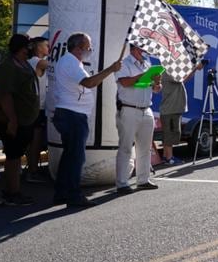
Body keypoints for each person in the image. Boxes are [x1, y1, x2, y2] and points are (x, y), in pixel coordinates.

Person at [51, 33, 122, 208]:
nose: (90, 50)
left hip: (72, 113)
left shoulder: (72, 62)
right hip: (72, 115)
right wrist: (110, 69)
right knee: (76, 157)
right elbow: (89, 83)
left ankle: (62, 193)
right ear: (78, 48)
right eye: (88, 47)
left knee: (70, 156)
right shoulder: (70, 62)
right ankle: (74, 196)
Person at [0, 34, 40, 206]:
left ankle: (14, 189)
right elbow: (5, 96)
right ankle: (12, 192)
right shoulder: (8, 67)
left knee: (17, 154)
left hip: (25, 119)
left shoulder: (23, 63)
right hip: (11, 120)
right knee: (13, 155)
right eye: (28, 46)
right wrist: (12, 120)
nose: (31, 49)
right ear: (21, 48)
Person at [115, 44, 161, 194]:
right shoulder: (124, 64)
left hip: (146, 109)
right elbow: (125, 82)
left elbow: (154, 88)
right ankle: (122, 183)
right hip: (129, 108)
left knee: (145, 148)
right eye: (143, 49)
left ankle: (143, 180)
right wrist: (145, 76)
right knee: (126, 147)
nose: (146, 52)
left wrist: (157, 83)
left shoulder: (147, 64)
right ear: (134, 49)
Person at [160, 59, 204, 165]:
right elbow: (181, 78)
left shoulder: (172, 73)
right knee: (169, 134)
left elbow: (184, 79)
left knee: (173, 133)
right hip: (169, 109)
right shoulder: (167, 71)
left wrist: (194, 70)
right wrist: (194, 67)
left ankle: (167, 156)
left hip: (174, 109)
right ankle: (169, 158)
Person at [25, 36, 50, 183]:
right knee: (35, 141)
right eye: (46, 45)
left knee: (35, 141)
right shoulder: (37, 62)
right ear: (38, 47)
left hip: (37, 106)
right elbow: (54, 65)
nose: (49, 48)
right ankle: (32, 171)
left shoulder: (32, 62)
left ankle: (32, 169)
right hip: (37, 108)